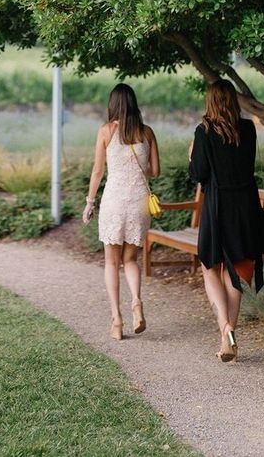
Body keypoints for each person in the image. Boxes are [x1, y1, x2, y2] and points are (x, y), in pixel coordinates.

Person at [189, 79, 264, 363]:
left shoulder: (204, 131)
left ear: (210, 101)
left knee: (210, 266)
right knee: (234, 270)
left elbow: (198, 174)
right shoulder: (248, 129)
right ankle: (229, 335)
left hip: (218, 207)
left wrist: (193, 154)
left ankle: (225, 330)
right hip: (246, 207)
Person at [83, 83, 160, 340]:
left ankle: (117, 320)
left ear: (112, 105)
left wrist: (89, 203)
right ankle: (137, 302)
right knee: (130, 260)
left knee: (111, 262)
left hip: (114, 201)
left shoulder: (106, 131)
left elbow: (97, 171)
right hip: (139, 201)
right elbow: (155, 171)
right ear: (134, 103)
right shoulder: (147, 132)